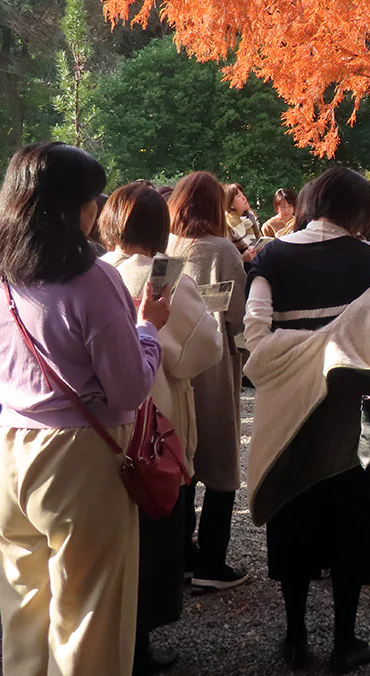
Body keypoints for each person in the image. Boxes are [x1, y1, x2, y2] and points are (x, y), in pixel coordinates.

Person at [0, 142, 169, 676]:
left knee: (22, 603)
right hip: (78, 457)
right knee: (88, 610)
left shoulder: (6, 274)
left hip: (10, 446)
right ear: (74, 205)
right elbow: (128, 390)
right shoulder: (94, 281)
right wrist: (149, 331)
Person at [243, 167, 370, 673]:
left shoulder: (273, 256)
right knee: (354, 519)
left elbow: (255, 335)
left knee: (293, 512)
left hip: (288, 414)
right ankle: (346, 639)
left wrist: (300, 355)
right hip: (357, 417)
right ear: (362, 210)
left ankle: (295, 637)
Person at [99, 181, 223, 675]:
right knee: (151, 531)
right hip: (155, 425)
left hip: (98, 426)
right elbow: (204, 349)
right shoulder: (165, 279)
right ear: (159, 228)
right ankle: (138, 645)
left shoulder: (95, 272)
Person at [167, 172, 248, 592]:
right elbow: (237, 316)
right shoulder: (223, 250)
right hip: (214, 365)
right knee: (220, 455)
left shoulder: (167, 247)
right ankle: (212, 562)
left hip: (172, 365)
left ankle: (180, 555)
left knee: (181, 457)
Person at [224, 182, 262, 262]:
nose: (244, 198)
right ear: (230, 204)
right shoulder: (227, 226)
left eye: (242, 194)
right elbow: (224, 261)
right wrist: (243, 258)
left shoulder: (250, 218)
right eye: (239, 196)